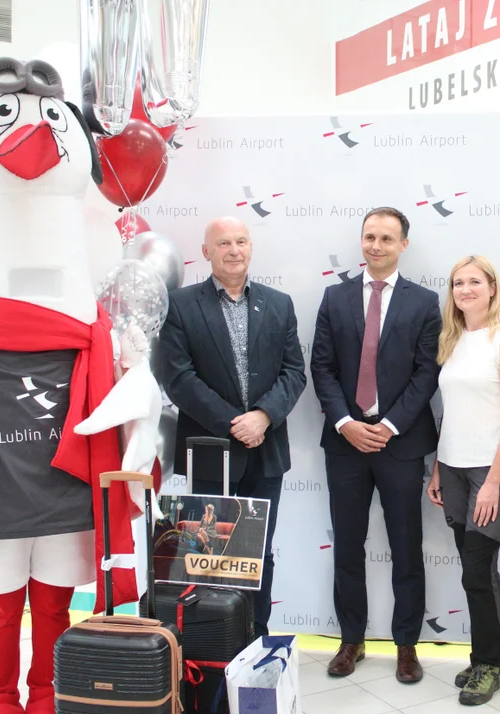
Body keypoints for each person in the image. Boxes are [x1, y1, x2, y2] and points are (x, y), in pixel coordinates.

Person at [310, 207, 441, 683]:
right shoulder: (335, 297)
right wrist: (345, 422)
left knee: (407, 546)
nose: (376, 245)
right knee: (348, 546)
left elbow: (427, 372)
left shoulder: (424, 302)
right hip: (345, 442)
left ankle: (406, 644)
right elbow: (321, 367)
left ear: (403, 244)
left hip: (399, 444)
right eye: (370, 236)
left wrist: (389, 425)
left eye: (387, 238)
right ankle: (351, 639)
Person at [160, 215, 307, 639]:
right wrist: (233, 424)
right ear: (206, 252)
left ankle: (255, 637)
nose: (234, 250)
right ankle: (211, 640)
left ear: (251, 247)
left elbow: (294, 372)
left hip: (265, 450)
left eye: (241, 241)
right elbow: (178, 378)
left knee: (258, 552)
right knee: (206, 554)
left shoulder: (279, 304)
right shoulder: (181, 305)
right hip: (209, 452)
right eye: (223, 243)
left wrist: (263, 416)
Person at [425, 256, 500, 706]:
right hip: (452, 467)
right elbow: (452, 412)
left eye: (474, 282)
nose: (465, 289)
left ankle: (485, 663)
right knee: (480, 571)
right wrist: (437, 467)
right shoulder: (451, 338)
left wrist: (493, 482)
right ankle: (494, 657)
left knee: (475, 571)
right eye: (457, 283)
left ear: (492, 288)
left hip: (491, 470)